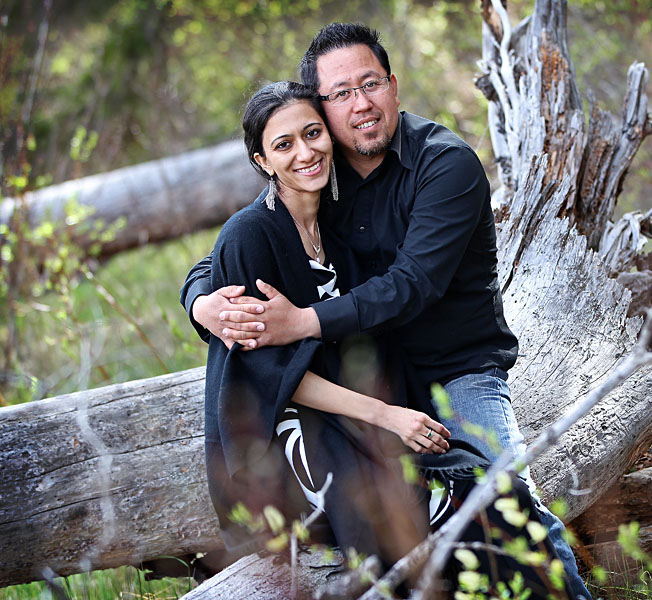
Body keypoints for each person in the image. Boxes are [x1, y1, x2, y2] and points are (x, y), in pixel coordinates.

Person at [181, 23, 590, 599]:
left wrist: (302, 323)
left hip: (456, 368)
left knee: (506, 502)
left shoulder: (445, 164)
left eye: (369, 84)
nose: (360, 104)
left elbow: (412, 283)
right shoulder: (321, 168)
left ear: (394, 86)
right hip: (371, 380)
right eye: (340, 93)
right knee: (396, 516)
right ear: (321, 108)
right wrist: (200, 303)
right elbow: (232, 252)